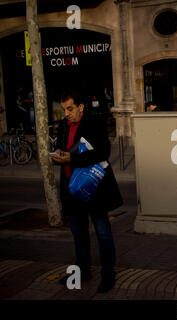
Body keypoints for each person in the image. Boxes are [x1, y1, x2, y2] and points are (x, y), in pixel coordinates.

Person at [50, 88, 123, 293]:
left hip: (93, 189)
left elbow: (103, 152)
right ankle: (82, 272)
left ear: (81, 107)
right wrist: (58, 155)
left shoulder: (94, 123)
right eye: (64, 109)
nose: (66, 113)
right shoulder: (63, 125)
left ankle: (108, 274)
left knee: (102, 232)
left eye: (70, 109)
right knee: (78, 234)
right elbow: (64, 151)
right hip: (72, 190)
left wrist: (72, 158)